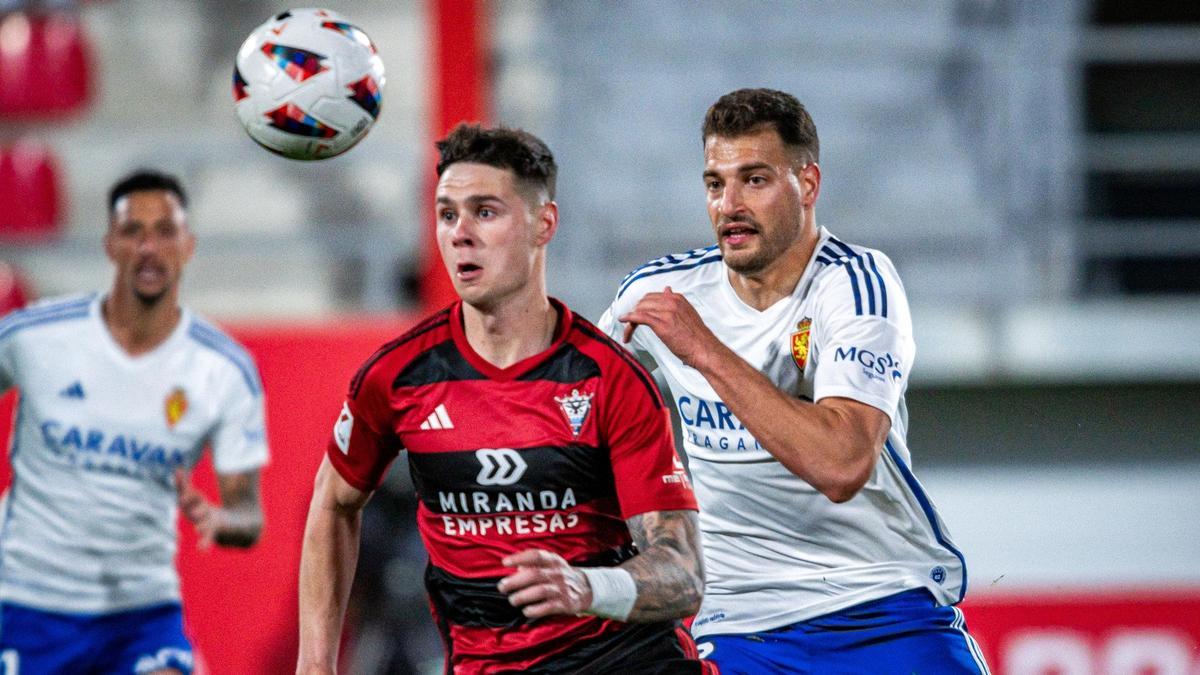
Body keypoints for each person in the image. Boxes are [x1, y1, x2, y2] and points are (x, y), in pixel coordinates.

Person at [600, 88, 990, 673]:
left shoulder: (857, 284)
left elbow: (842, 464)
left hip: (880, 601)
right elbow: (569, 407)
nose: (728, 204)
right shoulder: (657, 294)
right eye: (714, 183)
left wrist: (704, 349)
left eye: (754, 179)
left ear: (807, 184)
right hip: (738, 621)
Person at [297, 124, 712, 675]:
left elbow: (683, 574)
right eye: (447, 215)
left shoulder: (609, 379)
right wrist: (315, 665)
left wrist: (587, 586)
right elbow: (333, 501)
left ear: (545, 224)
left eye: (485, 212)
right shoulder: (398, 378)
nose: (460, 234)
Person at [0, 170, 268, 674]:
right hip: (28, 603)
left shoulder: (224, 370)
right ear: (110, 246)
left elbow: (249, 515)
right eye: (133, 232)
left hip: (141, 613)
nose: (149, 247)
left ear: (188, 246)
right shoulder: (35, 338)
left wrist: (220, 520)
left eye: (165, 231)